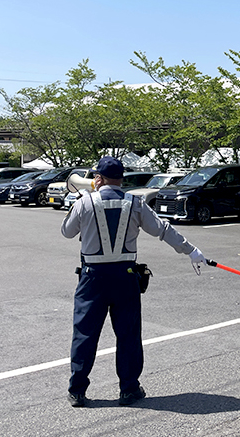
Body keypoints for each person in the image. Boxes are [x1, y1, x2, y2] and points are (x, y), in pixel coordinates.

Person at [61, 156, 207, 407]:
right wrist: (191, 250)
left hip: (92, 278)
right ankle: (128, 389)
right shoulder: (135, 203)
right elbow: (163, 229)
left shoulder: (85, 202)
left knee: (85, 334)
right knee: (128, 335)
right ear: (121, 178)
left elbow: (67, 232)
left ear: (98, 178)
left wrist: (79, 204)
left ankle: (77, 390)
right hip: (125, 277)